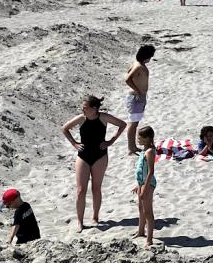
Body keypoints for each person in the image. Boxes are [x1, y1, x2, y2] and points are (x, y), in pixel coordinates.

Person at [61, 95, 127, 229]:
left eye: (85, 107)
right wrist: (74, 143)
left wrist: (111, 141)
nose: (82, 109)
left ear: (94, 108)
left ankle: (95, 217)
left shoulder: (103, 117)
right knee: (80, 190)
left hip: (100, 156)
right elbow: (64, 128)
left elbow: (122, 124)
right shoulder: (81, 118)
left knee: (96, 188)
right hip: (83, 156)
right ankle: (80, 221)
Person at [125, 44, 154, 156]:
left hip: (139, 97)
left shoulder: (137, 64)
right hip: (136, 97)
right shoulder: (138, 66)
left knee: (135, 123)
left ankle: (132, 147)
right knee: (133, 124)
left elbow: (128, 73)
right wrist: (137, 90)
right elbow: (127, 79)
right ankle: (131, 148)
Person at [133, 126, 157, 247]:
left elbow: (150, 171)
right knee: (140, 208)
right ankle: (141, 231)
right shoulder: (144, 151)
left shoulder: (150, 152)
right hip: (142, 183)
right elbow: (142, 170)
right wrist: (138, 185)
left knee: (148, 211)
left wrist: (145, 188)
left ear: (147, 138)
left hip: (148, 184)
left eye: (140, 137)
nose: (138, 139)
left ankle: (149, 239)